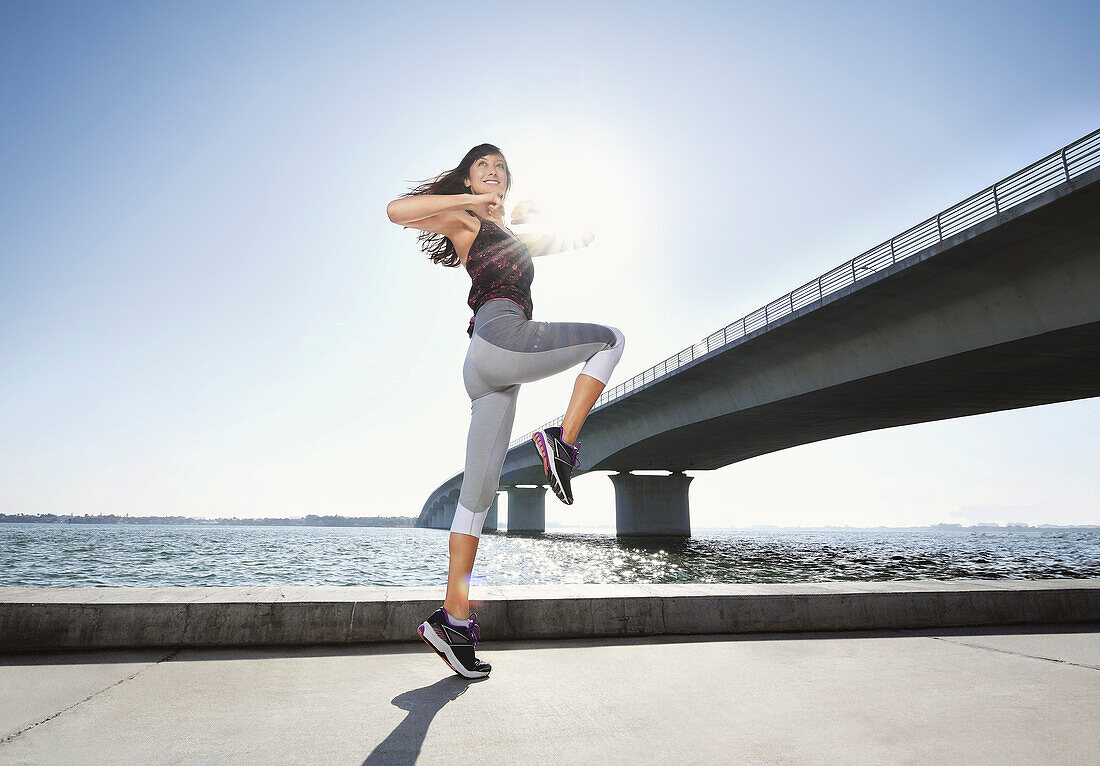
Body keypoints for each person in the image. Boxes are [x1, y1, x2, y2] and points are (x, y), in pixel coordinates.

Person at [385, 143, 625, 678]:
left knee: (475, 501)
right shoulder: (465, 221)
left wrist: (527, 214)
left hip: (488, 367)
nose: (493, 174)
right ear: (468, 178)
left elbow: (585, 234)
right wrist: (469, 201)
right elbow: (397, 211)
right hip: (499, 335)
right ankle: (561, 441)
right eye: (482, 167)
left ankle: (453, 618)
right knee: (609, 340)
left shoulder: (514, 237)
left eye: (500, 169)